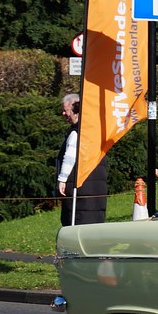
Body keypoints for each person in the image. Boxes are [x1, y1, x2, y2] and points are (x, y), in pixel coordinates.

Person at [56, 94, 107, 226]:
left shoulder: (76, 132)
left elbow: (70, 157)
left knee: (76, 226)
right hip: (95, 191)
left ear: (76, 110)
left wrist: (62, 179)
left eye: (66, 110)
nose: (63, 113)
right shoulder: (96, 130)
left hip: (79, 190)